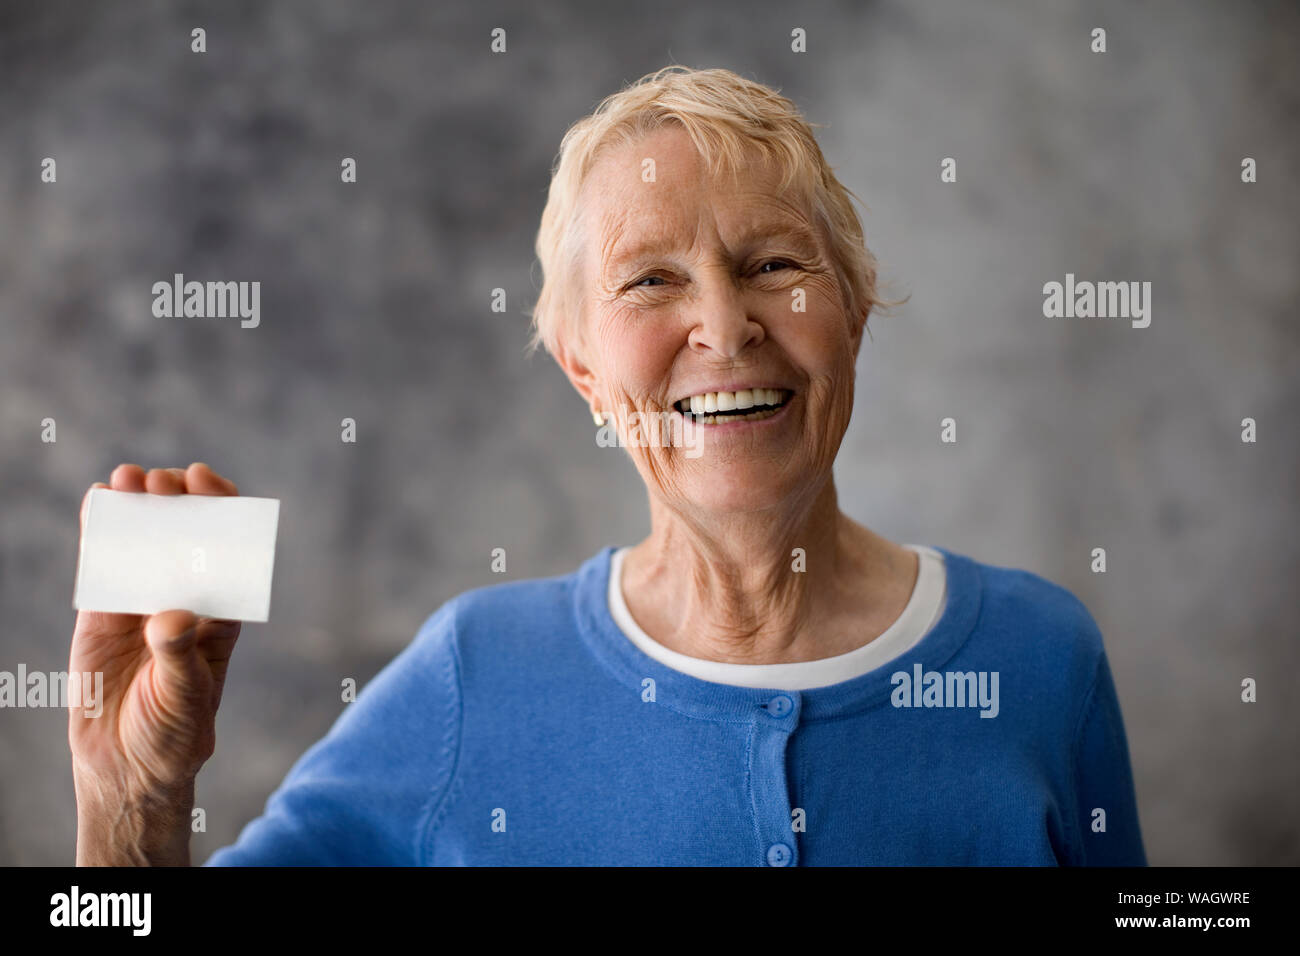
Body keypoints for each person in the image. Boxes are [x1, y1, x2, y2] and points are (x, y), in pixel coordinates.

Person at [69, 66, 1145, 866]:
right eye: (649, 281)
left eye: (773, 264)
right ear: (585, 369)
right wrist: (128, 805)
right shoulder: (474, 673)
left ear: (852, 311)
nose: (724, 327)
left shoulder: (1040, 657)